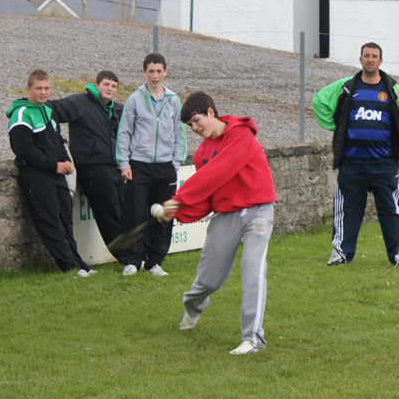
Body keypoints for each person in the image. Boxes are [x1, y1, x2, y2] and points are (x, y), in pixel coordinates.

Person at [161, 92, 276, 355]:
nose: (195, 128)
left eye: (197, 120)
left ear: (211, 112)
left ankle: (252, 338)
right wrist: (178, 210)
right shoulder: (202, 153)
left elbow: (221, 169)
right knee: (208, 280)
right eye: (190, 125)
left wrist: (180, 197)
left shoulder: (241, 134)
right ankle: (194, 307)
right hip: (225, 216)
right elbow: (206, 196)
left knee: (253, 269)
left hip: (259, 212)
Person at [311, 42, 399, 268]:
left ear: (380, 61)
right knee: (347, 211)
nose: (370, 59)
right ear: (360, 60)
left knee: (391, 211)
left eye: (374, 56)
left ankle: (398, 257)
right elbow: (318, 101)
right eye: (366, 56)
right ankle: (341, 253)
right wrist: (339, 125)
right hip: (352, 164)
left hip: (384, 165)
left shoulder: (392, 90)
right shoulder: (347, 87)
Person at [6, 69, 96, 277]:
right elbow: (24, 150)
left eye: (47, 88)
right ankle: (68, 267)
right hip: (36, 175)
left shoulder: (47, 110)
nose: (43, 92)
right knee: (50, 221)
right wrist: (53, 165)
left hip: (56, 173)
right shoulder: (21, 114)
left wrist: (65, 159)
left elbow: (57, 140)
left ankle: (79, 263)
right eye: (39, 88)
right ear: (29, 89)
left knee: (65, 218)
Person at [47, 71, 136, 275]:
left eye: (114, 86)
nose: (110, 89)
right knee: (110, 214)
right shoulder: (80, 102)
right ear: (96, 85)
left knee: (125, 211)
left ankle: (136, 254)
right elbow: (52, 109)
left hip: (114, 167)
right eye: (106, 84)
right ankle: (127, 259)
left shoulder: (117, 109)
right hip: (92, 168)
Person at [116, 53, 187, 277]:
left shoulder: (174, 100)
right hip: (139, 165)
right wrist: (124, 162)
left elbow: (180, 133)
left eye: (159, 71)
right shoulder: (135, 99)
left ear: (165, 72)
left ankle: (155, 262)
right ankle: (133, 261)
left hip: (165, 166)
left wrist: (176, 162)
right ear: (144, 73)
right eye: (151, 71)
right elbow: (124, 132)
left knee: (163, 216)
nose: (155, 76)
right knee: (135, 215)